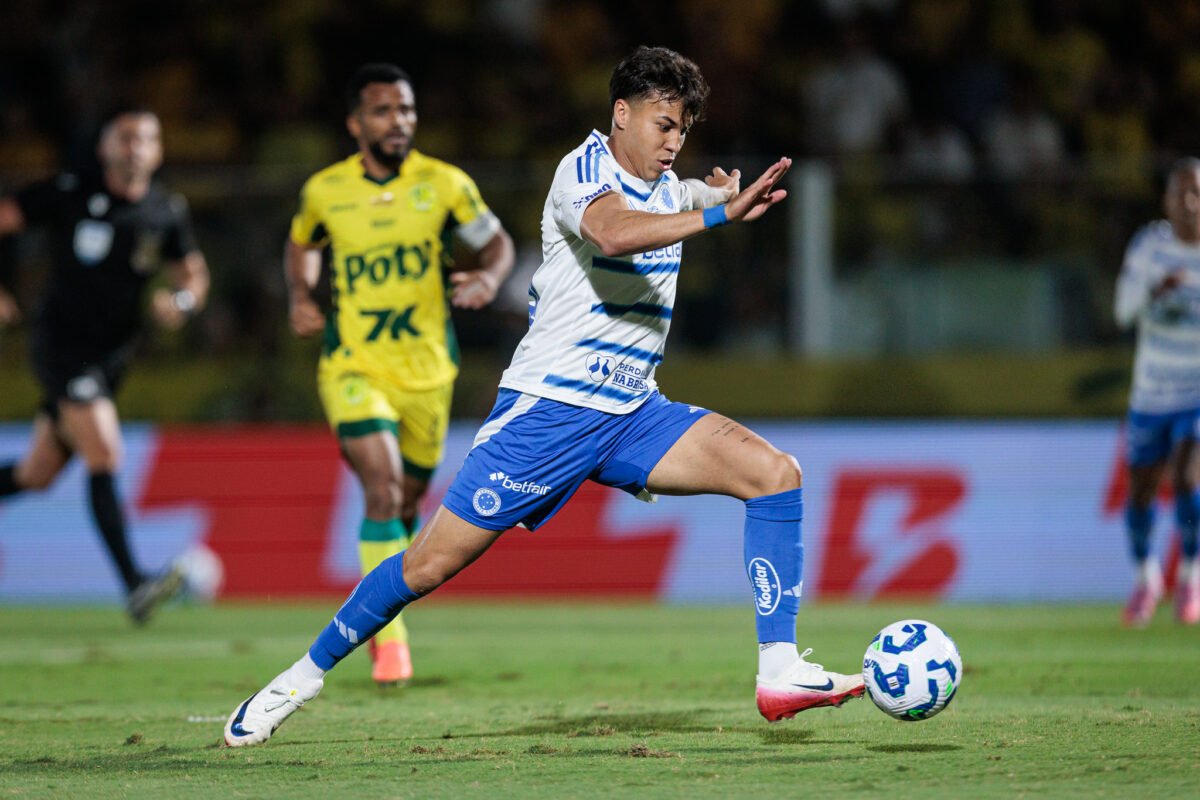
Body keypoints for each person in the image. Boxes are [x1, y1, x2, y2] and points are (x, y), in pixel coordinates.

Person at [223, 46, 863, 747]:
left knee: (776, 475)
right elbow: (614, 232)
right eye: (661, 123)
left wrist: (717, 196)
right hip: (549, 413)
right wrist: (716, 214)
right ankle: (301, 677)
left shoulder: (669, 186)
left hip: (632, 414)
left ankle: (779, 671)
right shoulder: (581, 171)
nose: (672, 140)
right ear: (621, 115)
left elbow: (685, 199)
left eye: (682, 128)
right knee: (428, 564)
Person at [284, 63, 514, 686]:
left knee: (407, 501)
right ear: (357, 123)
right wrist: (302, 297)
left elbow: (495, 244)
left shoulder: (444, 185)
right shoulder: (324, 191)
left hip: (428, 374)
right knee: (381, 488)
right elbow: (303, 242)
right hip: (353, 366)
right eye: (384, 111)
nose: (399, 121)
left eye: (407, 110)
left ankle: (383, 595)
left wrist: (490, 277)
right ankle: (389, 640)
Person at [0, 108, 209, 624]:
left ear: (158, 152)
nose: (135, 148)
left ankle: (135, 583)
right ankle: (135, 584)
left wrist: (180, 303)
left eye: (145, 140)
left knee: (37, 473)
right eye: (125, 139)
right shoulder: (71, 192)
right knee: (105, 450)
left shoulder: (165, 211)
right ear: (105, 149)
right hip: (61, 346)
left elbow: (194, 274)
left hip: (112, 358)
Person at [1114, 157, 1200, 627]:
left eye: (1197, 194)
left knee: (1188, 478)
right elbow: (1122, 312)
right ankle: (1147, 579)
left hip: (1196, 390)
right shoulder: (1150, 246)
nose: (1190, 204)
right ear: (1167, 201)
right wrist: (1154, 294)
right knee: (1141, 493)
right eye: (1181, 194)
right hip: (1151, 392)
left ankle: (1190, 573)